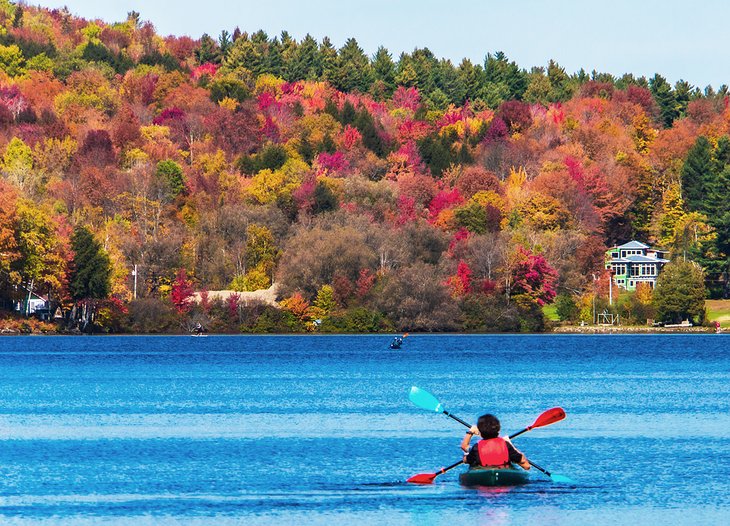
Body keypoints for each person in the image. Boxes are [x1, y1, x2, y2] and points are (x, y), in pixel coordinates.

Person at [460, 413, 530, 470]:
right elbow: (527, 466)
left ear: (480, 432)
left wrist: (470, 432)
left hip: (483, 474)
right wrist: (511, 445)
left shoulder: (476, 447)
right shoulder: (506, 445)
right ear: (498, 429)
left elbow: (465, 455)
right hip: (504, 474)